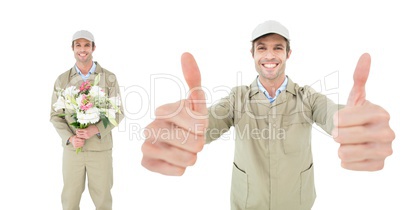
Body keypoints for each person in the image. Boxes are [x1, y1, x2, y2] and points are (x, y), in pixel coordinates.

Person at [141, 20, 395, 210]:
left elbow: (332, 115)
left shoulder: (308, 97)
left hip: (297, 203)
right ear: (252, 54)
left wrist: (351, 121)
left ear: (288, 54)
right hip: (248, 203)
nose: (270, 55)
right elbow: (208, 125)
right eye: (262, 48)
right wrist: (187, 128)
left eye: (278, 48)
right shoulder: (237, 98)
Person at [50, 30, 124, 210]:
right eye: (78, 45)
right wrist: (70, 138)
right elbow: (56, 115)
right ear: (72, 48)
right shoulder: (62, 79)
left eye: (86, 45)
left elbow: (118, 112)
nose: (82, 50)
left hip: (100, 149)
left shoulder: (109, 78)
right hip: (73, 149)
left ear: (93, 48)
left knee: (103, 199)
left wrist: (96, 129)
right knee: (70, 198)